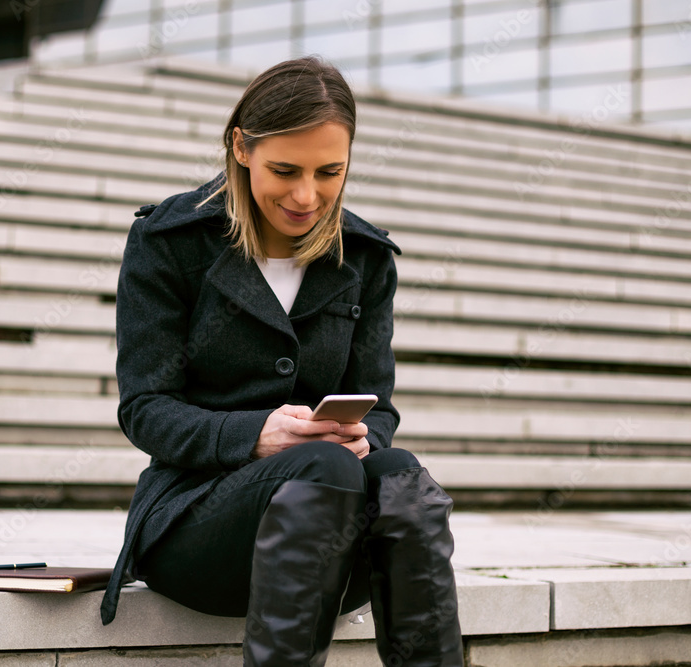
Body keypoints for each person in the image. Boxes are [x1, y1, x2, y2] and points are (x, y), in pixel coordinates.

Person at [100, 55, 464, 666]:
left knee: (398, 472)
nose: (307, 195)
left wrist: (362, 439)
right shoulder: (170, 243)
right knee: (322, 467)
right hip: (194, 529)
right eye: (285, 170)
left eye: (330, 173)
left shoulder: (366, 259)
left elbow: (381, 408)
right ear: (242, 147)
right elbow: (145, 409)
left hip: (330, 539)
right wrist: (256, 436)